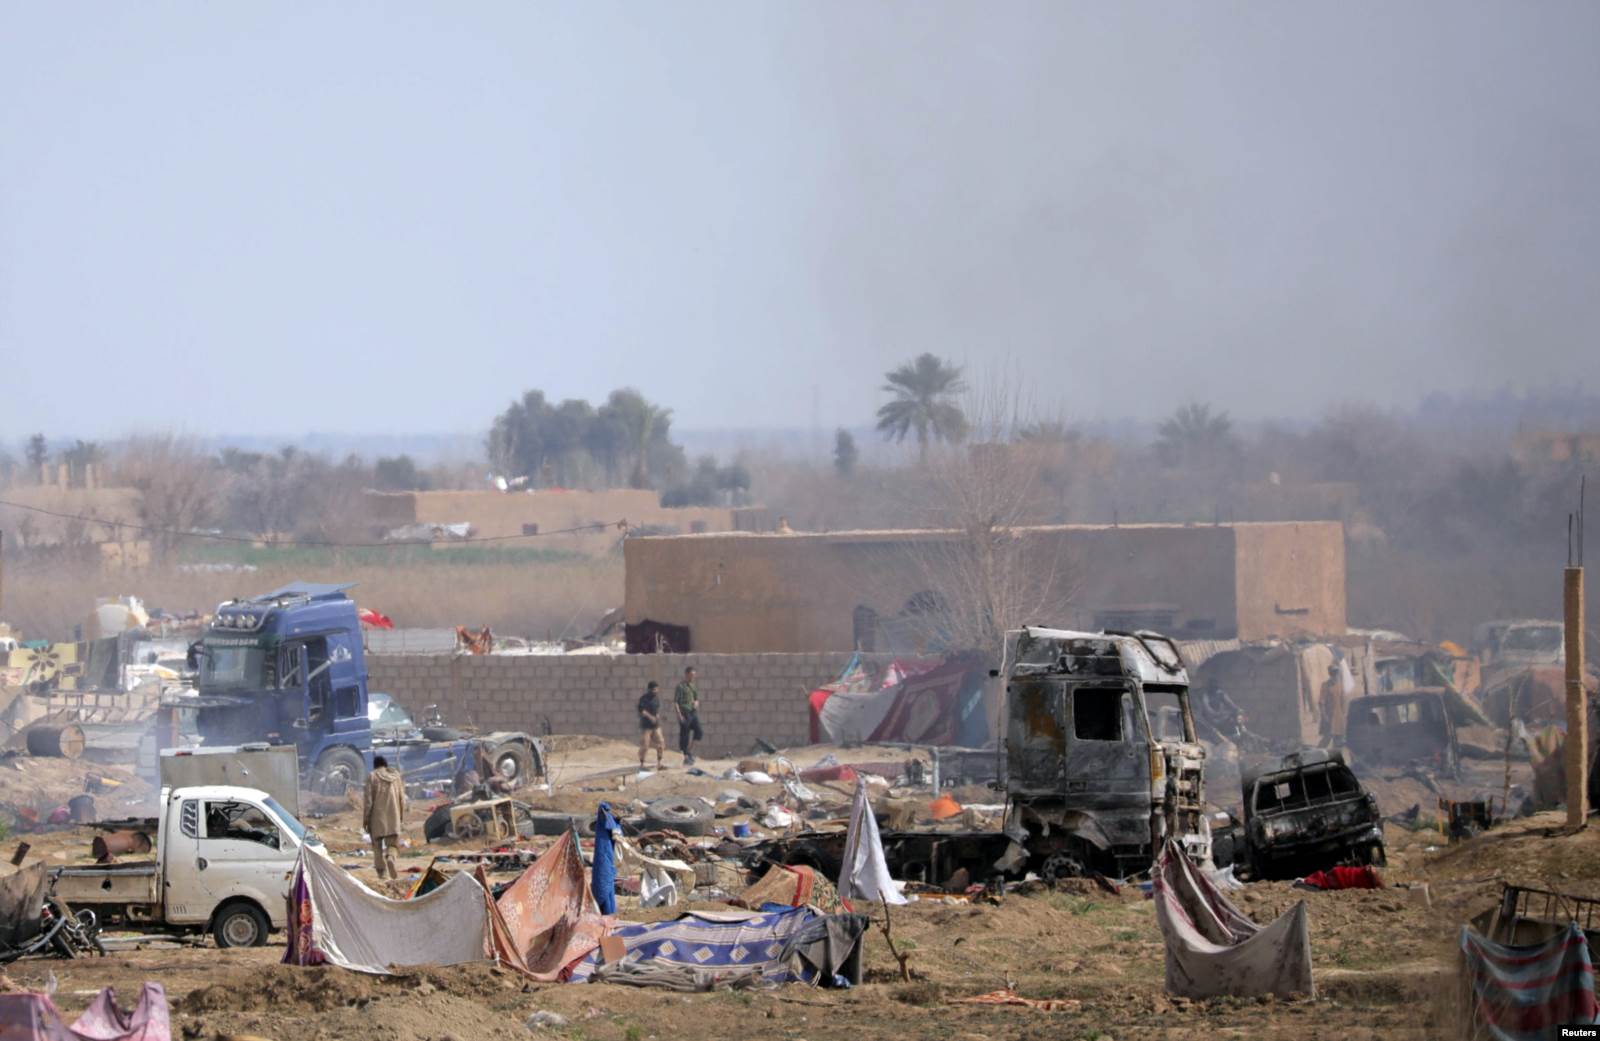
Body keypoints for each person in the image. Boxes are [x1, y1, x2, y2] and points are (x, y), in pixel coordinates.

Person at [362, 755, 406, 880]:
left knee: (377, 847)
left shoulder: (372, 776)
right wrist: (400, 817)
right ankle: (391, 857)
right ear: (385, 764)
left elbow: (368, 802)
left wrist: (366, 820)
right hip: (394, 817)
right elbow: (402, 799)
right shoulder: (396, 777)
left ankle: (382, 874)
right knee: (393, 845)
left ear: (375, 765)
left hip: (377, 819)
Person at [674, 666, 703, 766]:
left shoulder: (693, 686)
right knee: (685, 735)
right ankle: (685, 757)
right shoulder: (680, 686)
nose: (693, 677)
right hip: (684, 713)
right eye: (691, 675)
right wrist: (679, 714)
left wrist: (696, 703)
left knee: (699, 731)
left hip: (693, 713)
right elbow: (676, 702)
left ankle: (689, 751)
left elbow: (696, 699)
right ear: (686, 674)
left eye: (694, 675)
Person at [637, 680, 666, 770]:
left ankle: (659, 763)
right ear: (650, 689)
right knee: (645, 746)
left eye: (657, 689)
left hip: (655, 725)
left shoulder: (656, 699)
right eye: (654, 689)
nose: (656, 691)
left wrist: (657, 716)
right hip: (646, 726)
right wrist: (651, 717)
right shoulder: (644, 699)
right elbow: (642, 711)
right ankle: (642, 764)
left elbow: (656, 710)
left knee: (661, 743)